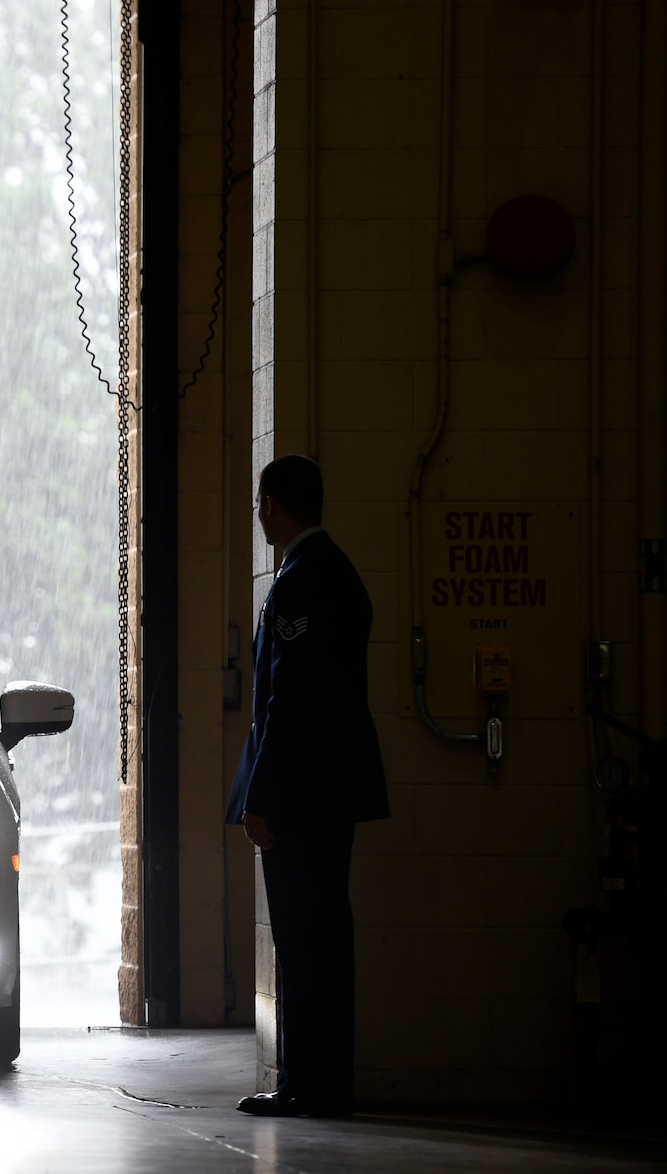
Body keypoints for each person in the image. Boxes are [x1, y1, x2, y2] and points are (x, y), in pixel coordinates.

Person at [226, 455, 391, 1118]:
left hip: (299, 795)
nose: (259, 514)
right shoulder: (343, 575)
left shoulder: (297, 584)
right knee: (328, 935)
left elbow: (286, 702)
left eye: (260, 502)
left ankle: (306, 1082)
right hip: (334, 789)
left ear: (271, 503)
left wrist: (260, 795)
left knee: (301, 939)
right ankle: (329, 1079)